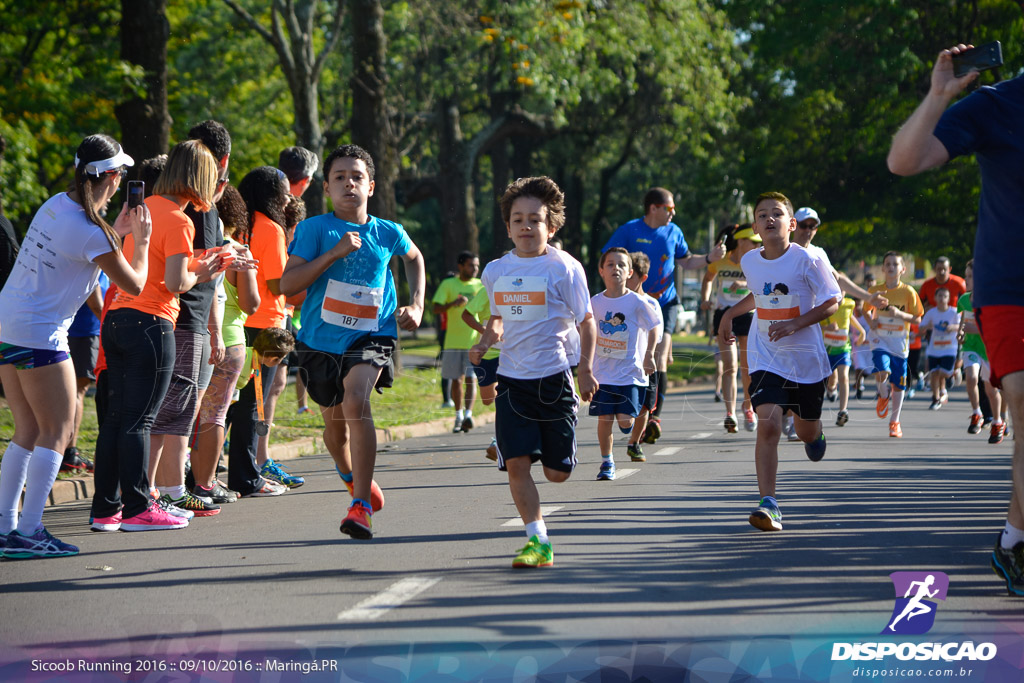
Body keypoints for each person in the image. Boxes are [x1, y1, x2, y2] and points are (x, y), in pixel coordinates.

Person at [888, 41, 1024, 595]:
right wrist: (938, 97)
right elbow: (904, 160)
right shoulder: (999, 105)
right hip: (1011, 289)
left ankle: (1014, 538)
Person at [0, 135, 152, 556]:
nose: (122, 182)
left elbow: (82, 248)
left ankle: (6, 528)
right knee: (57, 430)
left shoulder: (56, 205)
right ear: (111, 177)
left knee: (26, 430)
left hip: (8, 322)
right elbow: (134, 283)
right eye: (121, 174)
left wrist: (115, 231)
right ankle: (29, 532)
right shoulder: (90, 232)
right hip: (40, 333)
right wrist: (140, 240)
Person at [281, 144, 425, 540]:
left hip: (373, 333)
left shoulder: (387, 231)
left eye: (357, 177)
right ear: (326, 188)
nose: (349, 184)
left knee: (356, 399)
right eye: (340, 178)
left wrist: (416, 303)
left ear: (371, 186)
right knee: (335, 427)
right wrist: (335, 253)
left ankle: (360, 505)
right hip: (319, 340)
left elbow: (414, 258)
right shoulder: (313, 230)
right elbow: (288, 284)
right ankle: (349, 475)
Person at [90, 139, 223, 533]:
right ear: (200, 178)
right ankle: (136, 508)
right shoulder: (182, 220)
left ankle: (106, 509)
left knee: (115, 420)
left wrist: (198, 264)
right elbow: (175, 282)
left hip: (117, 318)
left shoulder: (140, 209)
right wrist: (207, 269)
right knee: (139, 421)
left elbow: (147, 265)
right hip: (151, 323)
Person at [470, 176, 596, 567]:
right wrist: (485, 342)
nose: (526, 226)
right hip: (511, 381)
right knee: (518, 466)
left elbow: (587, 321)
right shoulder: (494, 271)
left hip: (554, 380)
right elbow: (498, 317)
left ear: (551, 226)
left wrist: (586, 369)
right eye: (518, 219)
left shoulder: (565, 268)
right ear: (507, 227)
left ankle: (540, 442)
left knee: (558, 474)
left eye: (535, 220)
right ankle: (537, 540)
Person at [717, 192, 841, 532]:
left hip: (806, 362)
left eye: (777, 213)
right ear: (756, 227)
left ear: (792, 223)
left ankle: (816, 435)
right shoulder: (751, 262)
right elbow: (759, 294)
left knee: (805, 432)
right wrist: (730, 312)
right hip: (765, 356)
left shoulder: (808, 261)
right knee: (768, 424)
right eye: (762, 215)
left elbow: (833, 300)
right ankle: (769, 503)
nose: (769, 219)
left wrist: (796, 324)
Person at [149, 120, 235, 518]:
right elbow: (180, 279)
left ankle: (157, 490)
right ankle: (157, 492)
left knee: (174, 410)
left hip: (175, 321)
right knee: (172, 411)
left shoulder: (155, 207)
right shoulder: (183, 215)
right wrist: (214, 263)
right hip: (178, 321)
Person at [603, 188, 725, 443]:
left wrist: (709, 258)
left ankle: (654, 416)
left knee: (659, 356)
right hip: (635, 305)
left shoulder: (674, 231)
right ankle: (637, 409)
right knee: (636, 355)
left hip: (666, 302)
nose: (673, 213)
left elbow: (686, 261)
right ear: (653, 208)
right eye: (669, 209)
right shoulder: (629, 230)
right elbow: (606, 259)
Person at [190, 184, 259, 504]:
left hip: (196, 335)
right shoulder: (237, 251)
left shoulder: (199, 245)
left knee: (187, 415)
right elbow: (251, 304)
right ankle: (205, 483)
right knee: (215, 415)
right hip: (230, 340)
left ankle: (178, 483)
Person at [589, 247, 659, 481]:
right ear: (601, 271)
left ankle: (629, 430)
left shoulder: (636, 302)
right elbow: (586, 331)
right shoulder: (595, 302)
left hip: (630, 373)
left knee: (625, 420)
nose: (615, 268)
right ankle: (607, 462)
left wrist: (649, 354)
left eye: (621, 265)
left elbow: (654, 326)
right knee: (604, 418)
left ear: (630, 272)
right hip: (603, 374)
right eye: (610, 264)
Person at [701, 223, 761, 433]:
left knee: (747, 367)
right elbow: (708, 278)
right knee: (730, 366)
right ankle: (730, 413)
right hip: (724, 316)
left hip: (748, 315)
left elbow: (763, 285)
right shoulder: (721, 261)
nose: (757, 245)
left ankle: (748, 407)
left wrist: (744, 285)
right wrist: (705, 299)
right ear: (741, 241)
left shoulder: (757, 262)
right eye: (753, 241)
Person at [863, 252, 924, 439]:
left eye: (895, 264)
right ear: (882, 268)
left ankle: (894, 421)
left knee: (899, 385)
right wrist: (870, 321)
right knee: (882, 370)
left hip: (899, 344)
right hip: (879, 340)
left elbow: (918, 318)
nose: (891, 267)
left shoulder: (909, 292)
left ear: (903, 269)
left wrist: (900, 315)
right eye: (887, 264)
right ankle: (883, 395)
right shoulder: (875, 291)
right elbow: (865, 310)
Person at [432, 251, 484, 433]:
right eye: (471, 265)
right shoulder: (449, 284)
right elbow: (436, 308)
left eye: (477, 265)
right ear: (461, 266)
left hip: (474, 342)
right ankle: (458, 416)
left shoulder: (480, 285)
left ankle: (469, 414)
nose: (475, 269)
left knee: (471, 379)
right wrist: (453, 303)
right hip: (453, 342)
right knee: (456, 380)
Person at [957, 259, 1005, 443]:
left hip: (989, 349)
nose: (967, 279)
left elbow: (995, 329)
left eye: (971, 276)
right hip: (971, 347)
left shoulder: (990, 302)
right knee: (971, 378)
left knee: (991, 390)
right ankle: (977, 413)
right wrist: (960, 333)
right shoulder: (963, 300)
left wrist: (974, 330)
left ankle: (998, 421)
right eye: (966, 275)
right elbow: (963, 320)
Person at [624, 251, 663, 463]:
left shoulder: (651, 304)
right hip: (621, 366)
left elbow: (656, 336)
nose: (625, 277)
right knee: (625, 410)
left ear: (642, 278)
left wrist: (651, 358)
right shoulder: (613, 301)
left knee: (645, 407)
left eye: (631, 275)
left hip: (645, 365)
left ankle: (634, 442)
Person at [461, 284, 501, 460]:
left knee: (505, 398)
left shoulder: (523, 290)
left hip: (509, 353)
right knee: (488, 400)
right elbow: (466, 314)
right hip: (486, 354)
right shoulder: (489, 290)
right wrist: (484, 331)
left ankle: (501, 442)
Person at [820, 295, 866, 426]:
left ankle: (843, 410)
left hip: (843, 349)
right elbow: (815, 325)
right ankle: (831, 388)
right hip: (828, 350)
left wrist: (862, 331)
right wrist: (827, 329)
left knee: (844, 377)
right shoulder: (824, 304)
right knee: (832, 379)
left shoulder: (849, 303)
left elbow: (849, 317)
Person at [919, 287, 960, 410]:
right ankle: (935, 398)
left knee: (944, 373)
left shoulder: (954, 312)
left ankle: (951, 374)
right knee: (934, 373)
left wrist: (953, 327)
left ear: (949, 298)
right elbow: (920, 328)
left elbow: (961, 326)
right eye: (940, 296)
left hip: (949, 348)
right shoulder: (931, 313)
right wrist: (928, 326)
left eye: (945, 296)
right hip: (934, 348)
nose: (942, 299)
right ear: (935, 298)